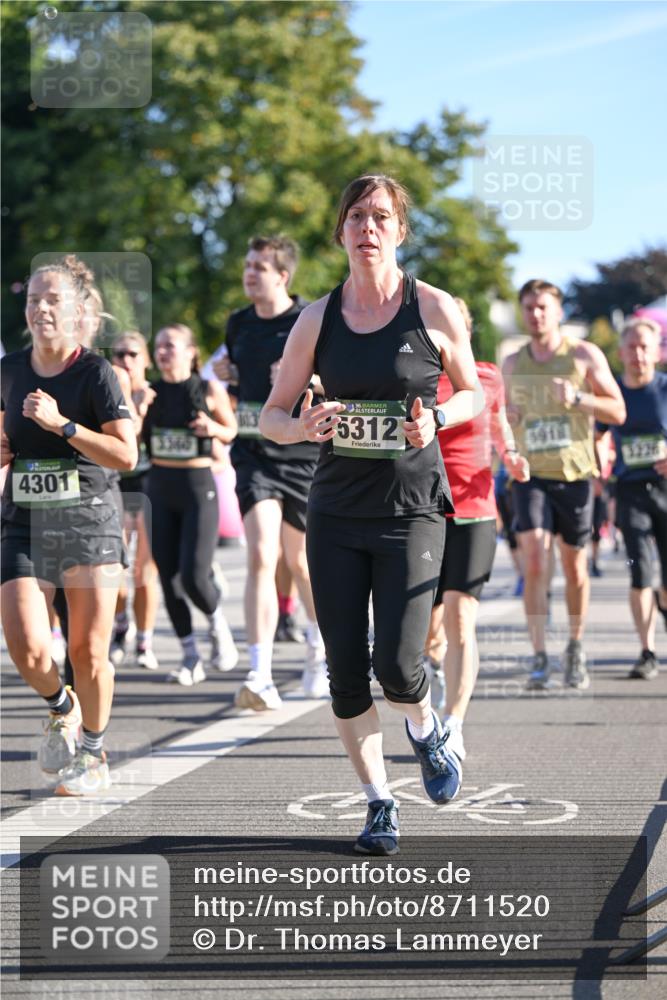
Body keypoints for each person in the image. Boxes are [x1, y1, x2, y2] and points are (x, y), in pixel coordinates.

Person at [260, 174, 483, 855]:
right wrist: (304, 427)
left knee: (397, 661)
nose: (367, 228)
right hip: (334, 511)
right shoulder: (315, 319)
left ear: (399, 230)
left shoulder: (434, 308)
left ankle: (426, 729)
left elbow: (473, 394)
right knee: (345, 669)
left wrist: (437, 417)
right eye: (356, 216)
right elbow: (270, 416)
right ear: (340, 230)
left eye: (381, 216)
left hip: (412, 509)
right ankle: (379, 802)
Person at [1, 258, 137, 794]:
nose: (40, 308)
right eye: (34, 299)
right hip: (25, 522)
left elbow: (125, 454)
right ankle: (62, 706)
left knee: (88, 651)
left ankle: (93, 753)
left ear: (79, 312)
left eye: (53, 299)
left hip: (89, 524)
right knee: (30, 647)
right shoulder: (10, 370)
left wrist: (64, 424)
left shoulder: (96, 374)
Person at [213, 236, 327, 710]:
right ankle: (259, 672)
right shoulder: (237, 323)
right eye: (248, 264)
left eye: (260, 266)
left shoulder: (309, 320)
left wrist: (315, 379)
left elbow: (334, 377)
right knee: (261, 552)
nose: (250, 272)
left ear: (283, 275)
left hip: (301, 452)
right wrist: (227, 374)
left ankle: (320, 652)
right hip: (254, 451)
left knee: (299, 563)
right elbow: (235, 376)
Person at [503, 280, 626, 691]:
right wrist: (512, 419)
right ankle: (539, 655)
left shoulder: (583, 354)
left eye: (542, 307)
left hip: (574, 475)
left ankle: (574, 646)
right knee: (535, 560)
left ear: (557, 311)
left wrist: (578, 399)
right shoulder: (513, 362)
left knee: (574, 567)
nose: (535, 314)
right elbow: (502, 417)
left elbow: (618, 410)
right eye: (529, 307)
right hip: (530, 475)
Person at [424, 297, 529, 758]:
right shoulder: (415, 377)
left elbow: (500, 428)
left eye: (457, 326)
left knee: (461, 615)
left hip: (474, 508)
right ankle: (435, 666)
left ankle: (453, 721)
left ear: (465, 330)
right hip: (422, 513)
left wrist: (513, 458)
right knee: (428, 634)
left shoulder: (487, 376)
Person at [143, 323, 238, 685]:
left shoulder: (207, 388)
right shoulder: (148, 392)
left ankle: (217, 625)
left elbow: (230, 432)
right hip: (160, 486)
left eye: (171, 345)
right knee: (167, 577)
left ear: (190, 351)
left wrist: (211, 429)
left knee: (194, 577)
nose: (163, 351)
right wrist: (137, 409)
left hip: (198, 486)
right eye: (159, 346)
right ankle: (190, 656)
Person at [596, 317, 667, 679]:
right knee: (641, 571)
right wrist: (598, 468)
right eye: (632, 347)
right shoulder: (614, 393)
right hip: (629, 490)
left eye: (645, 347)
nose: (639, 354)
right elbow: (598, 434)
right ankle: (647, 651)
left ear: (656, 351)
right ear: (621, 352)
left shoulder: (665, 388)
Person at [109, 331, 160, 670]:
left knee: (143, 570)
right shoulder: (106, 392)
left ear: (146, 360)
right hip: (115, 483)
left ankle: (144, 639)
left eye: (132, 354)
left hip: (150, 484)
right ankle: (121, 622)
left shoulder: (156, 395)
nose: (125, 361)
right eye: (119, 355)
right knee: (116, 570)